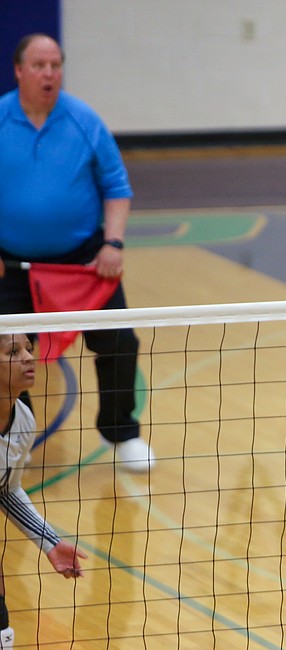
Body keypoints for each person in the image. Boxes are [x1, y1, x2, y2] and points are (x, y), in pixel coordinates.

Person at [0, 33, 155, 473]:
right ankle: (15, 441)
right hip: (10, 265)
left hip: (84, 262)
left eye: (56, 65)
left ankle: (122, 433)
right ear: (19, 70)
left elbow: (117, 189)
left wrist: (113, 243)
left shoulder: (84, 121)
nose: (49, 74)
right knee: (7, 354)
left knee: (120, 343)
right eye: (39, 65)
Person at [0, 333, 88, 650]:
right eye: (12, 352)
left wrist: (50, 541)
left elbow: (6, 489)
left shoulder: (23, 419)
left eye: (28, 347)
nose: (29, 357)